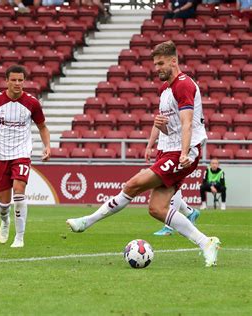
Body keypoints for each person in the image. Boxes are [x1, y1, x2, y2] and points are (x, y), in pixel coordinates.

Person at [66, 41, 221, 267]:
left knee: (132, 185)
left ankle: (87, 221)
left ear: (173, 61)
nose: (157, 68)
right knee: (156, 209)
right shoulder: (165, 89)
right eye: (155, 64)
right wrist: (151, 143)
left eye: (161, 63)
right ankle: (206, 242)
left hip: (181, 153)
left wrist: (185, 153)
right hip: (167, 151)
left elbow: (188, 124)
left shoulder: (184, 85)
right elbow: (165, 123)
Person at [0, 65, 51, 248]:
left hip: (22, 153)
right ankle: (5, 221)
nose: (17, 83)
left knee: (19, 189)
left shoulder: (32, 103)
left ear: (24, 81)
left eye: (20, 80)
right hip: (1, 155)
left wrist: (47, 146)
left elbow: (42, 127)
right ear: (6, 81)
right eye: (13, 80)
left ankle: (19, 237)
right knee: (3, 204)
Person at [145, 126, 201, 236]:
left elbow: (187, 125)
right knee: (169, 182)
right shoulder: (164, 109)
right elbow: (157, 124)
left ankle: (169, 226)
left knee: (171, 182)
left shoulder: (182, 111)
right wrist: (149, 146)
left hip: (177, 148)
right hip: (163, 148)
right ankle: (189, 211)